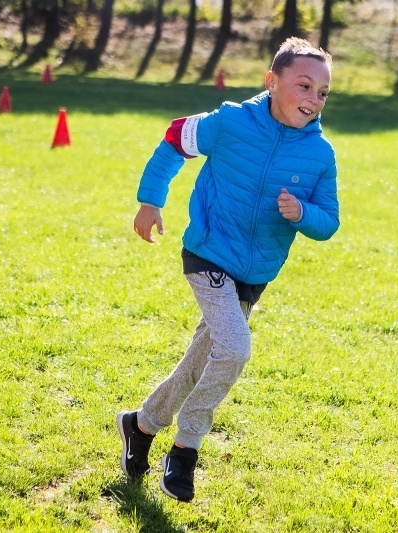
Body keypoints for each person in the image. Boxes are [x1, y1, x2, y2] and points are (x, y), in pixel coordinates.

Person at [117, 37, 340, 503]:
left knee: (201, 361)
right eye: (303, 85)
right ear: (271, 81)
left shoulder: (321, 155)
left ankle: (141, 424)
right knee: (234, 349)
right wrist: (149, 201)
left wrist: (303, 214)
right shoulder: (231, 121)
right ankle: (186, 447)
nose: (313, 99)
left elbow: (329, 222)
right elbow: (175, 138)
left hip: (255, 272)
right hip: (208, 253)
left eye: (322, 92)